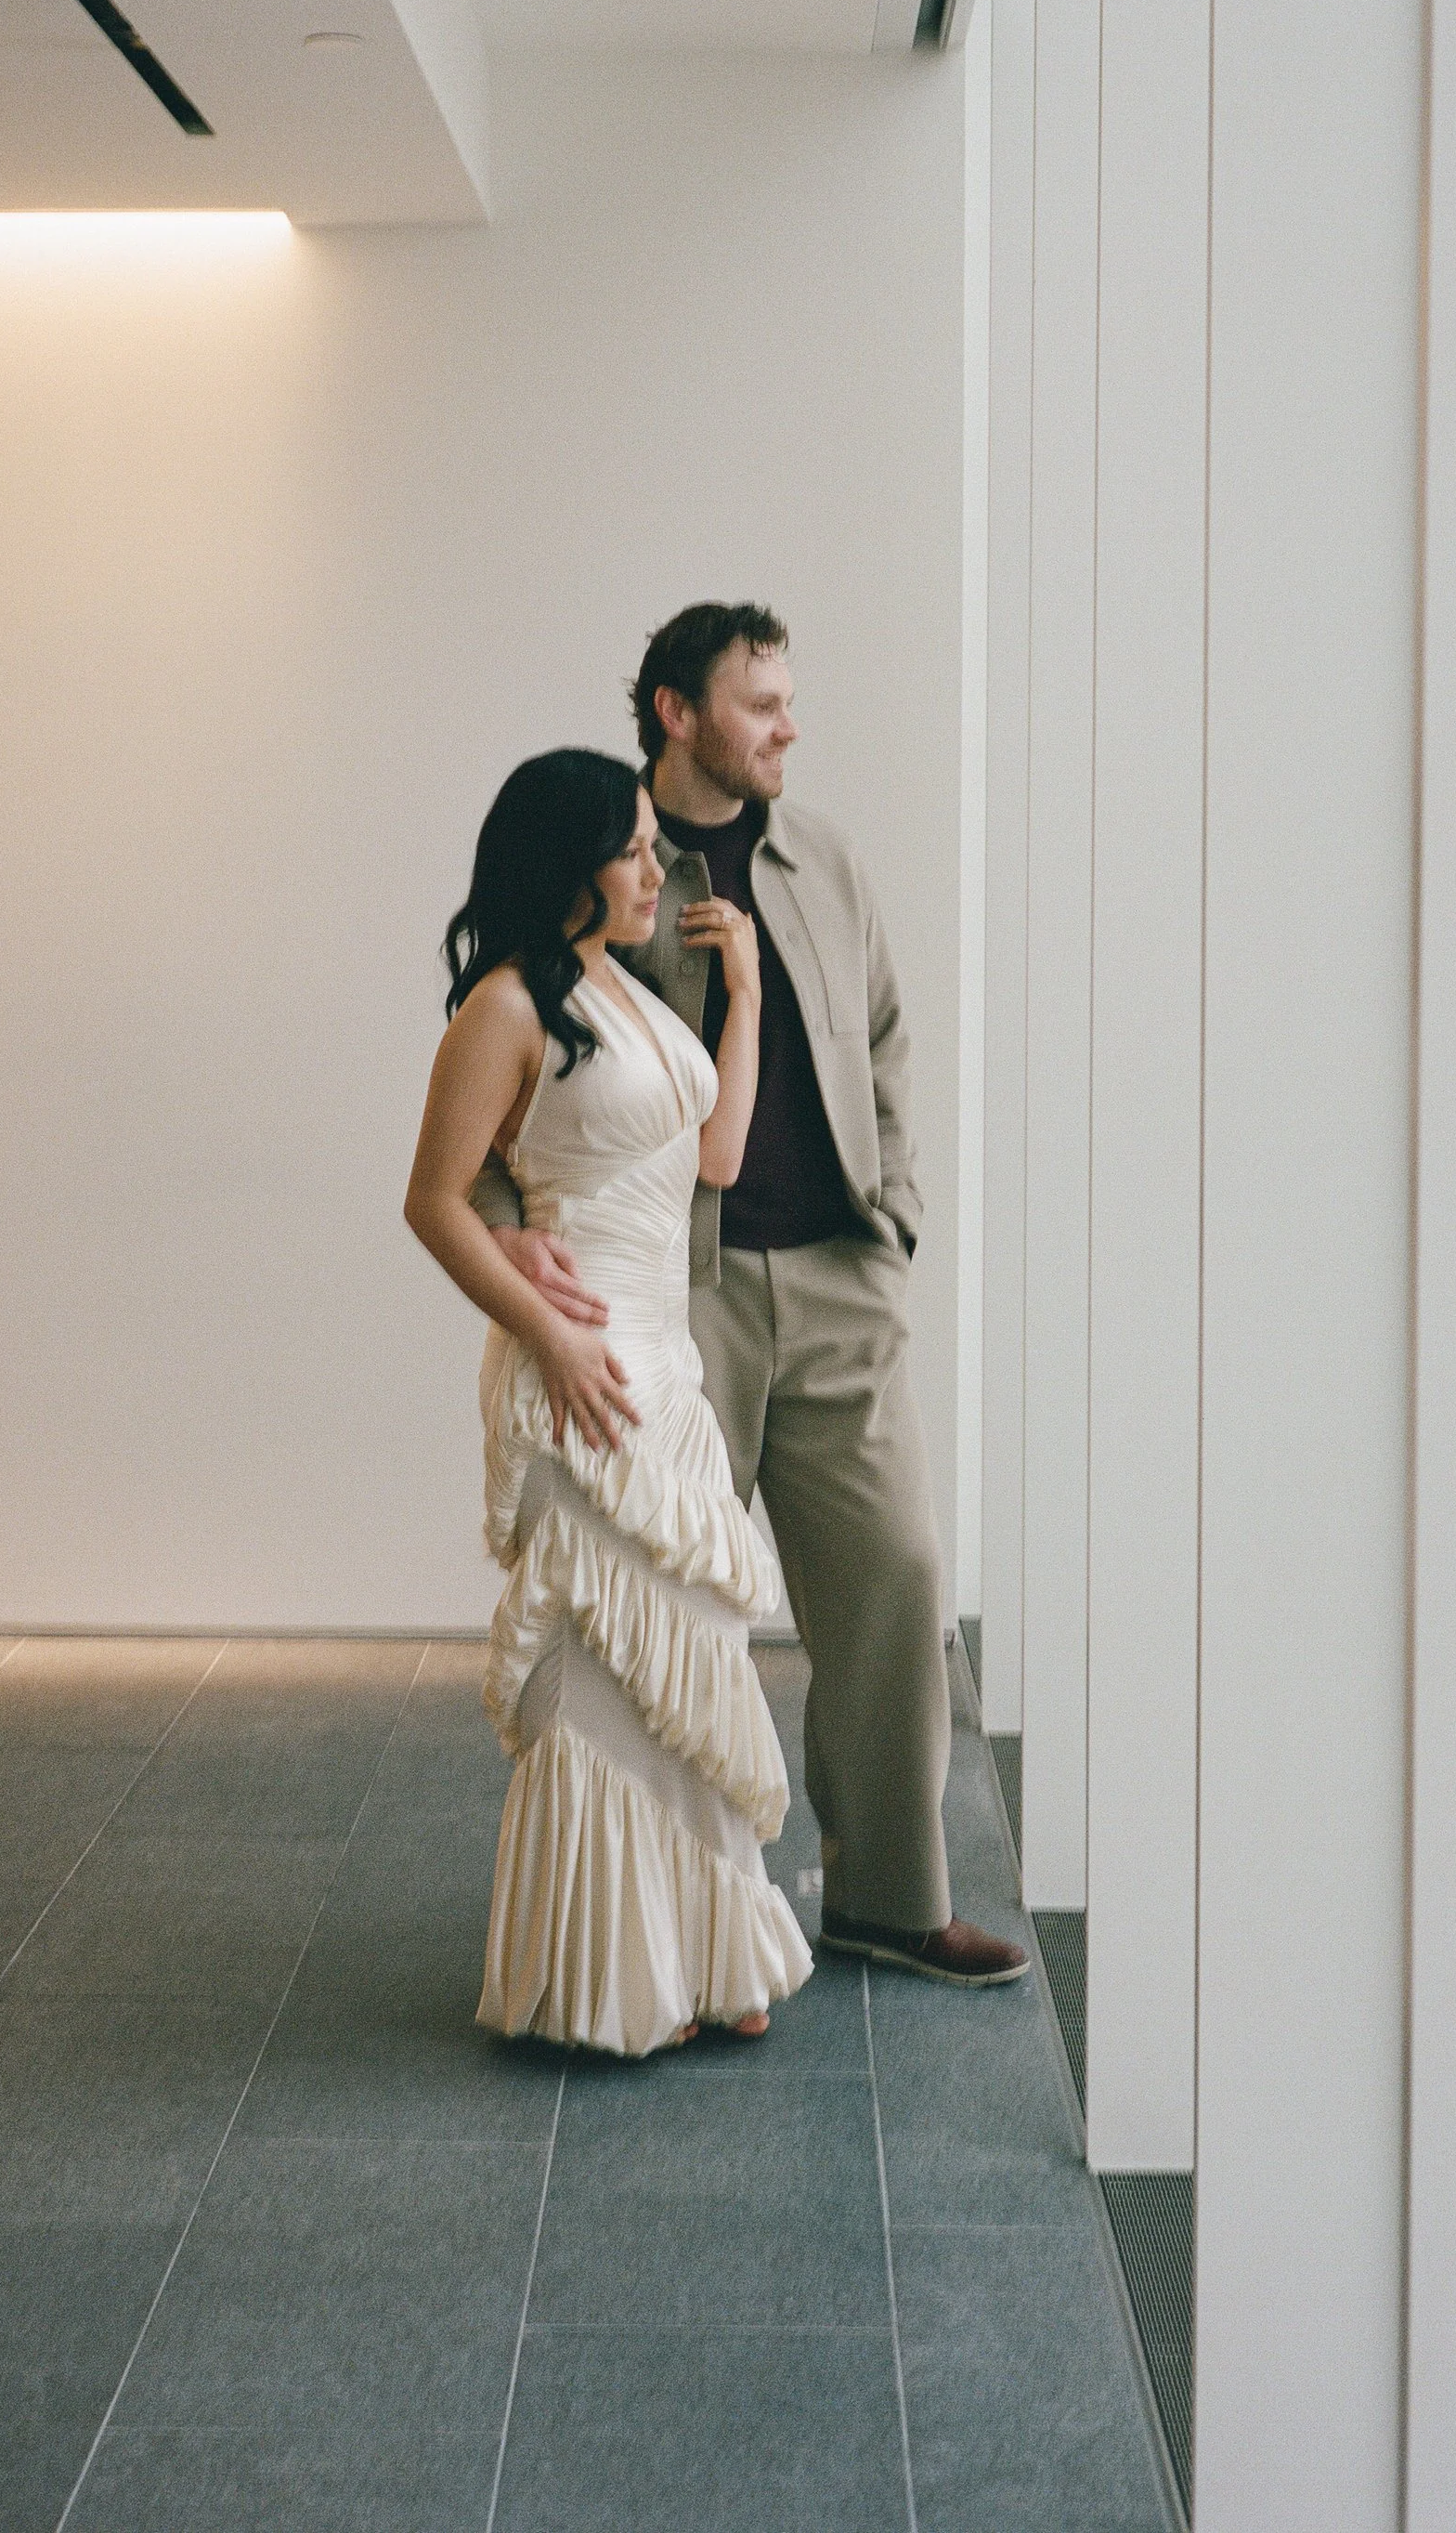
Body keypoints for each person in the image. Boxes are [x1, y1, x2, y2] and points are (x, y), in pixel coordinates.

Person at [475, 607, 1027, 1989]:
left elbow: (886, 1038)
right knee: (664, 1611)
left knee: (895, 1577)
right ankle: (660, 1927)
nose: (788, 725)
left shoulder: (824, 859)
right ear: (677, 711)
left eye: (791, 700)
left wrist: (890, 1218)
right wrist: (509, 1239)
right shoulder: (597, 854)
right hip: (674, 1297)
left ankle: (890, 1899)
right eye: (761, 702)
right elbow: (500, 1055)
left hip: (838, 1277)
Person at [405, 748, 813, 2056]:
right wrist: (543, 1330)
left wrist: (743, 992)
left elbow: (719, 1154)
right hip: (580, 1363)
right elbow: (432, 1198)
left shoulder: (620, 993)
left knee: (687, 1650)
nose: (656, 867)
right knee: (605, 1663)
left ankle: (704, 1953)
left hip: (664, 1366)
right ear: (567, 858)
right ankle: (605, 1977)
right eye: (634, 845)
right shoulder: (508, 1007)